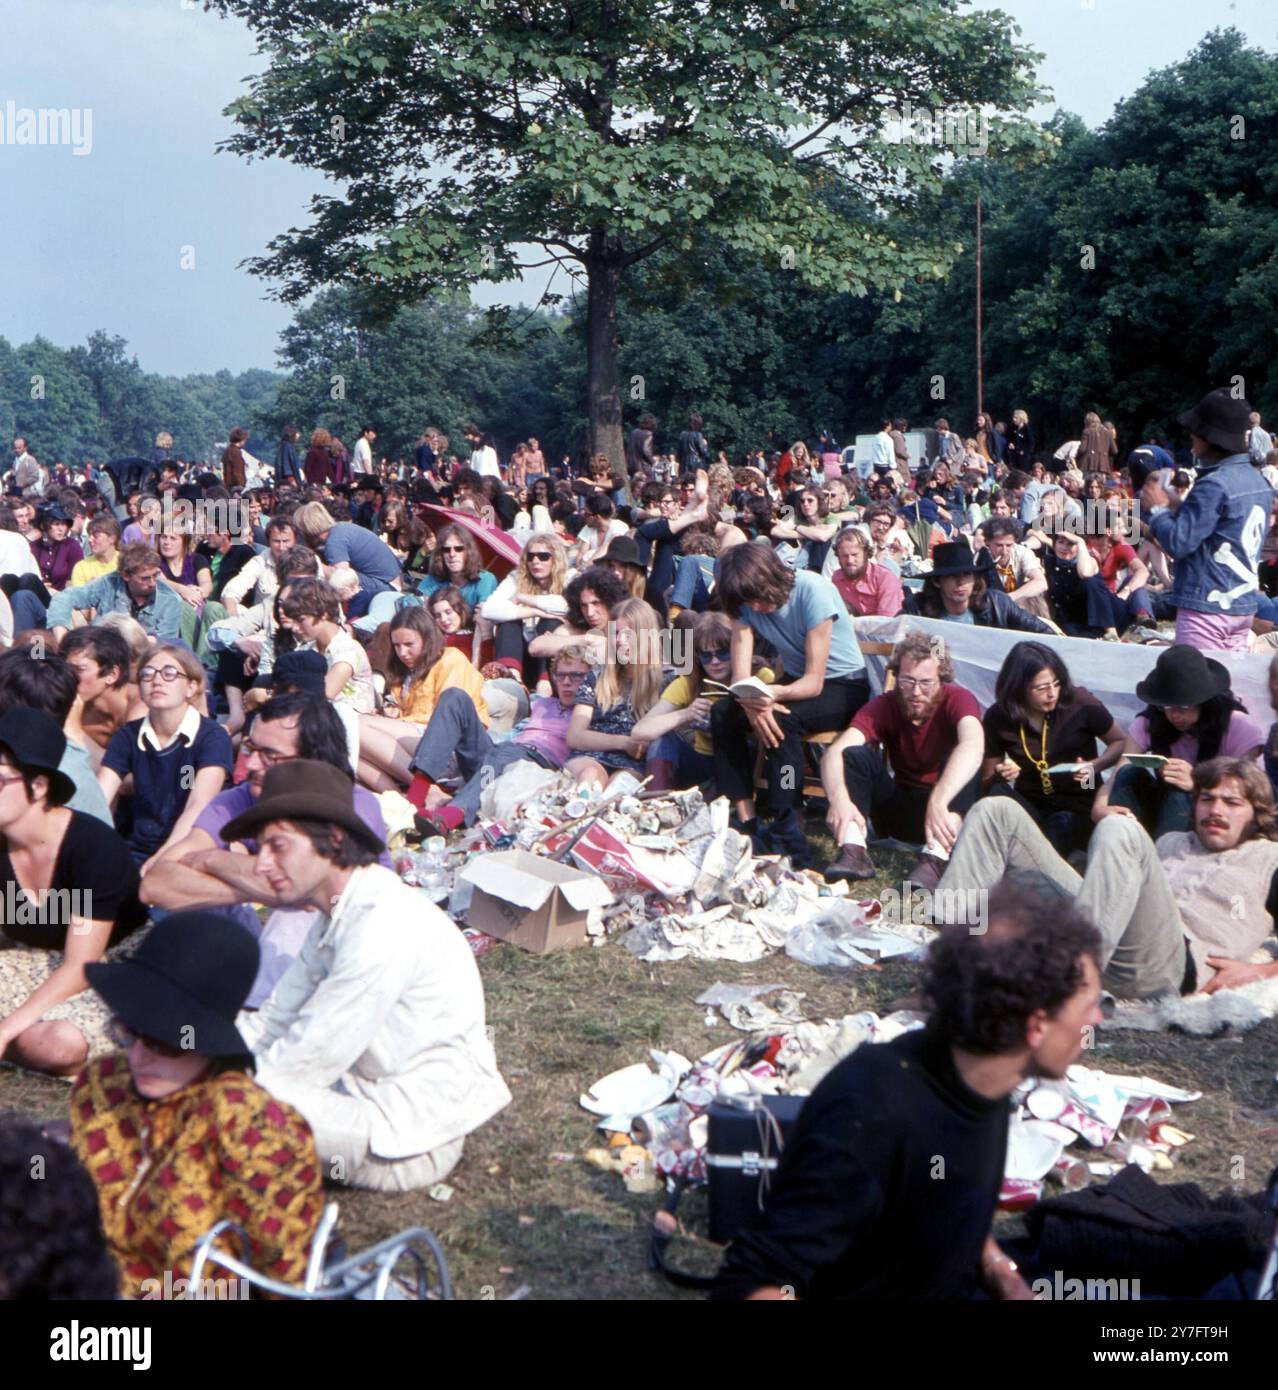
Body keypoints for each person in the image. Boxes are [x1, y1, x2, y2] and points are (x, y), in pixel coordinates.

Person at [712, 883, 1104, 1300]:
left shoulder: (983, 1077)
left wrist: (1000, 1271)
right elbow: (755, 1281)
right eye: (1090, 1006)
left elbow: (946, 1198)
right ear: (1036, 1027)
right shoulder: (873, 1113)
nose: (1097, 1019)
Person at [224, 759, 511, 1191]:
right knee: (201, 1078)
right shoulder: (338, 911)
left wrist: (208, 1083)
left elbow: (312, 1052)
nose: (261, 864)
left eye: (278, 847)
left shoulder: (380, 921)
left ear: (333, 840)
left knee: (220, 1107)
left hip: (408, 1136)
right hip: (356, 1091)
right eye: (260, 847)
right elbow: (275, 1017)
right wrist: (200, 1051)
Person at [70, 910, 322, 1299]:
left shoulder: (248, 1122)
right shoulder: (102, 1082)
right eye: (128, 1032)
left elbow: (281, 1276)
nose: (137, 1056)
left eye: (163, 1042)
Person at [941, 757, 1278, 1000]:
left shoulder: (1268, 858)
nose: (1215, 810)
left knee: (1120, 827)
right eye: (1207, 799)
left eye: (1232, 802)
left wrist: (1260, 972)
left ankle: (1064, 982)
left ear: (1257, 813)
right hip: (1105, 929)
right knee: (996, 810)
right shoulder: (1172, 841)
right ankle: (950, 953)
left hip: (1165, 962)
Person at [0, 708, 148, 1075]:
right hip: (31, 959)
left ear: (39, 786)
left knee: (56, 1045)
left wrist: (6, 1028)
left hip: (107, 967)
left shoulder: (90, 848)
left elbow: (82, 964)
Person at [712, 542, 870, 865]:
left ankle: (788, 820)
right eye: (748, 602)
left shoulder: (813, 590)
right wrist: (749, 701)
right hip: (793, 684)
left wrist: (769, 697)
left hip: (842, 685)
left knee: (782, 721)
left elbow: (814, 683)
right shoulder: (745, 602)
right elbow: (740, 676)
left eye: (759, 598)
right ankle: (747, 817)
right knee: (721, 713)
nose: (755, 607)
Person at [822, 630, 983, 889]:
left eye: (926, 682)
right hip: (901, 806)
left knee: (963, 756)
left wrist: (939, 799)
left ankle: (935, 859)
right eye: (907, 681)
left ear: (942, 680)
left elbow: (974, 744)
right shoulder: (886, 704)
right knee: (853, 755)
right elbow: (834, 753)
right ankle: (853, 851)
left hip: (945, 813)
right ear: (896, 677)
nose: (916, 691)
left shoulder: (959, 698)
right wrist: (838, 798)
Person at [1141, 388, 1274, 652]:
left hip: (1207, 608)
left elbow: (1179, 543)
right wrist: (1177, 504)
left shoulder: (1214, 485)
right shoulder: (1257, 481)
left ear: (1211, 437)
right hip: (1241, 605)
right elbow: (1218, 528)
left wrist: (1158, 511)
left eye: (1195, 433)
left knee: (1200, 687)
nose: (1191, 437)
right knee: (1232, 686)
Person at [1091, 644, 1265, 838]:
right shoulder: (1150, 721)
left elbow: (1250, 792)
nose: (1175, 715)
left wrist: (1199, 784)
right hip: (1158, 811)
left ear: (1203, 701)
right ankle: (1124, 845)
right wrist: (1099, 807)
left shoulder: (1237, 725)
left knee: (1179, 790)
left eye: (1183, 706)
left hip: (1215, 819)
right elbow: (1118, 774)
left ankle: (1166, 859)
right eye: (1166, 706)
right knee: (1128, 772)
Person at [410, 648, 593, 830]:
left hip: (534, 767)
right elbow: (511, 736)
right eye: (561, 675)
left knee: (505, 753)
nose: (566, 682)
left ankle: (450, 816)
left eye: (576, 676)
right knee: (455, 697)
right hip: (496, 760)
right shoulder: (541, 704)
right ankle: (413, 801)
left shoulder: (591, 716)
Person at [980, 642, 1125, 859]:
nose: (1052, 694)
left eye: (1056, 684)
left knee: (1063, 825)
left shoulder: (1080, 702)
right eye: (1041, 688)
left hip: (1079, 804)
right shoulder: (998, 717)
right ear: (1018, 688)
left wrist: (1095, 765)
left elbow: (1120, 742)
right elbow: (988, 778)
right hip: (1031, 806)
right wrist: (1003, 773)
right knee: (995, 799)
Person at [98, 641, 233, 870]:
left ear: (191, 687)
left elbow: (197, 805)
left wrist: (160, 861)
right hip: (137, 848)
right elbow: (100, 796)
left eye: (169, 673)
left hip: (193, 849)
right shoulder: (128, 735)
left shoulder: (213, 737)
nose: (157, 680)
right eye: (147, 674)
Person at [357, 607, 487, 790]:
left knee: (357, 726)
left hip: (448, 747)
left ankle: (425, 789)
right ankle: (398, 800)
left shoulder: (451, 660)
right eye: (397, 646)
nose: (402, 652)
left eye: (409, 644)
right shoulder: (406, 672)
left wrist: (395, 721)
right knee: (350, 744)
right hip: (418, 739)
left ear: (427, 639)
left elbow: (448, 718)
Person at [633, 612, 760, 791]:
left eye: (722, 653)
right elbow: (640, 731)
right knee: (662, 740)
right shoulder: (689, 682)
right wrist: (686, 714)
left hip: (743, 760)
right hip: (702, 761)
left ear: (736, 649)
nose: (715, 661)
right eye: (706, 656)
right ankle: (657, 800)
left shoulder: (760, 676)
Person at [565, 598, 666, 791]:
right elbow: (575, 735)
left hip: (633, 764)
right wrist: (624, 743)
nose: (621, 640)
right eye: (617, 633)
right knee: (591, 777)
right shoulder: (597, 675)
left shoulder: (665, 681)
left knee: (619, 788)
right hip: (590, 757)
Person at [47, 542, 185, 642]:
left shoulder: (171, 600)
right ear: (125, 576)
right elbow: (64, 598)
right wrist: (61, 638)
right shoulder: (109, 583)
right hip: (100, 649)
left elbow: (165, 643)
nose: (153, 583)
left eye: (156, 575)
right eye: (145, 579)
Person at [907, 541, 1055, 632]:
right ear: (937, 582)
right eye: (952, 576)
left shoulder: (996, 604)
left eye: (967, 575)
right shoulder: (918, 609)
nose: (961, 582)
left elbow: (1043, 632)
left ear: (975, 579)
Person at [277, 577, 375, 713]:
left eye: (301, 620)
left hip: (352, 723)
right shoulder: (308, 648)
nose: (294, 628)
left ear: (323, 614)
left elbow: (324, 693)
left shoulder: (348, 649)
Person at [292, 502, 403, 618]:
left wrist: (316, 563)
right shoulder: (341, 528)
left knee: (334, 574)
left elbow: (340, 579)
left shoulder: (334, 542)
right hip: (394, 579)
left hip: (387, 586)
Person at [60, 624, 145, 770]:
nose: (68, 676)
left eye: (78, 669)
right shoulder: (70, 705)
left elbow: (131, 781)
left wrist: (75, 732)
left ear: (112, 674)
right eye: (65, 668)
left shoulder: (143, 706)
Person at [977, 517, 1051, 621]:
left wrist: (1008, 599)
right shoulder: (980, 559)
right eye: (999, 545)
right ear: (988, 542)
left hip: (1020, 605)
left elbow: (1041, 583)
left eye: (1009, 545)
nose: (1004, 551)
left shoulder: (1022, 552)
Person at [829, 525, 903, 617]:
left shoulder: (885, 578)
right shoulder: (837, 578)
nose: (850, 561)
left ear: (866, 553)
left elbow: (887, 622)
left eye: (855, 555)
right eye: (844, 556)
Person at [68, 512, 120, 588]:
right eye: (89, 535)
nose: (90, 539)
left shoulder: (126, 562)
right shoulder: (81, 567)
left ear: (112, 538)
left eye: (96, 536)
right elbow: (78, 597)